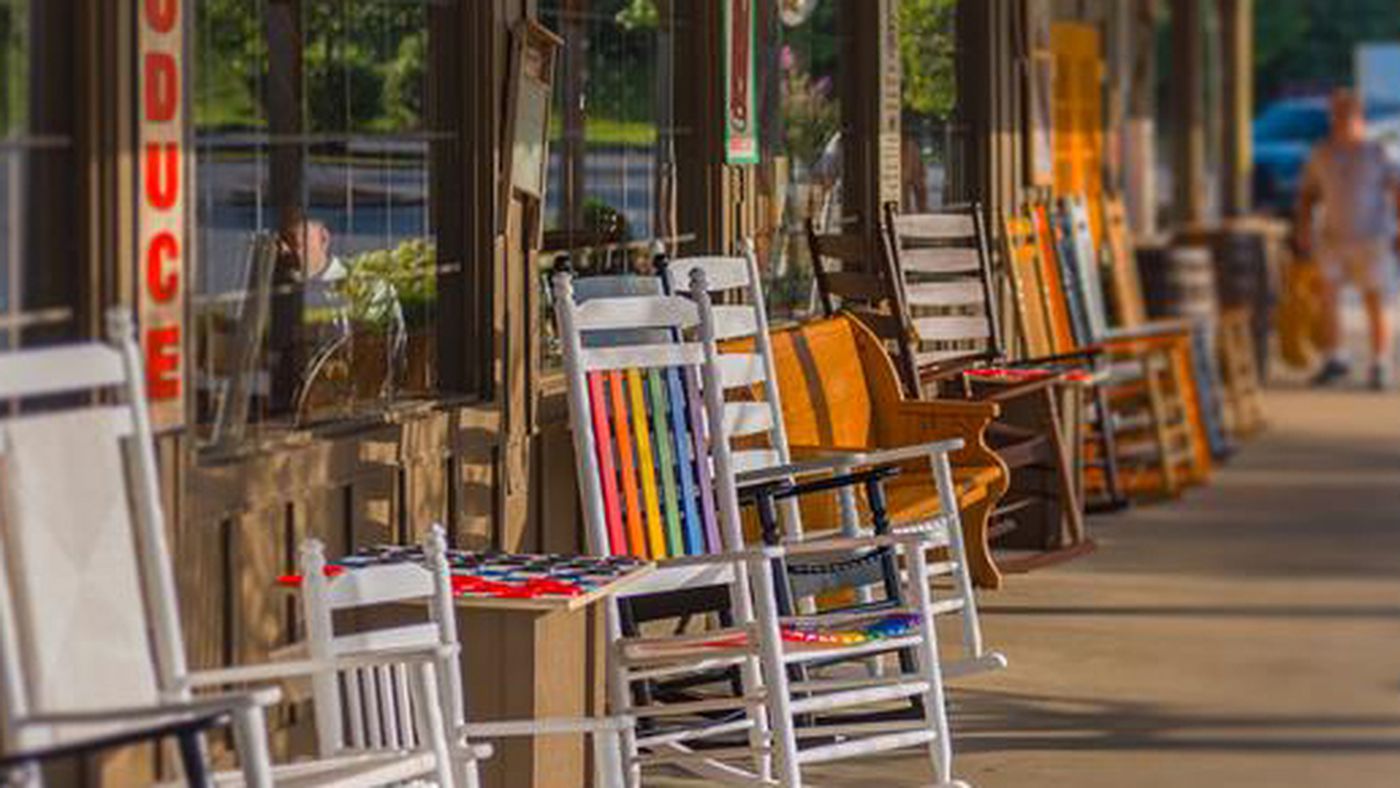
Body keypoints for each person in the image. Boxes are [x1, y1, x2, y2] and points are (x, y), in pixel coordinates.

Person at [1295, 89, 1400, 389]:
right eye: (1336, 115)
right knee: (1328, 299)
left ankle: (1380, 362)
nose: (1340, 121)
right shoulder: (1321, 152)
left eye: (1346, 116)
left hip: (1373, 237)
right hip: (1333, 236)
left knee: (1375, 299)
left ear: (1360, 119)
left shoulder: (1377, 152)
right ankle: (1335, 358)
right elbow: (1308, 194)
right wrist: (1303, 226)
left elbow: (1397, 189)